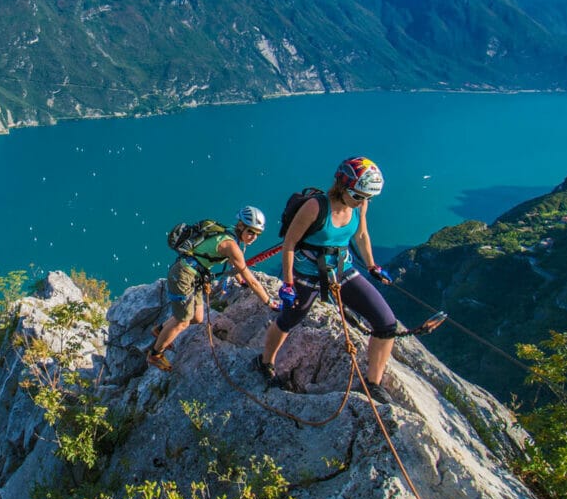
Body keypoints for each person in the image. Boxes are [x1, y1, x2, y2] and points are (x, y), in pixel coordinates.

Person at [255, 157, 398, 403]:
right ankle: (265, 362)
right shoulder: (315, 207)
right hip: (308, 273)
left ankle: (372, 384)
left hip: (342, 269)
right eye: (359, 195)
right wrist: (288, 284)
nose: (363, 202)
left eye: (367, 198)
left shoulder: (359, 205)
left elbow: (361, 234)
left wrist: (372, 265)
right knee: (289, 319)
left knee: (386, 324)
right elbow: (289, 243)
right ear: (343, 186)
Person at [147, 206, 281, 372]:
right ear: (241, 226)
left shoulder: (229, 233)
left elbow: (235, 265)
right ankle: (155, 354)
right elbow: (250, 279)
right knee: (182, 322)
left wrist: (239, 280)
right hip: (183, 275)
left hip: (193, 275)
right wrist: (269, 302)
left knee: (197, 317)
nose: (253, 237)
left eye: (257, 234)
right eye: (251, 232)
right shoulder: (231, 245)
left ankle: (160, 331)